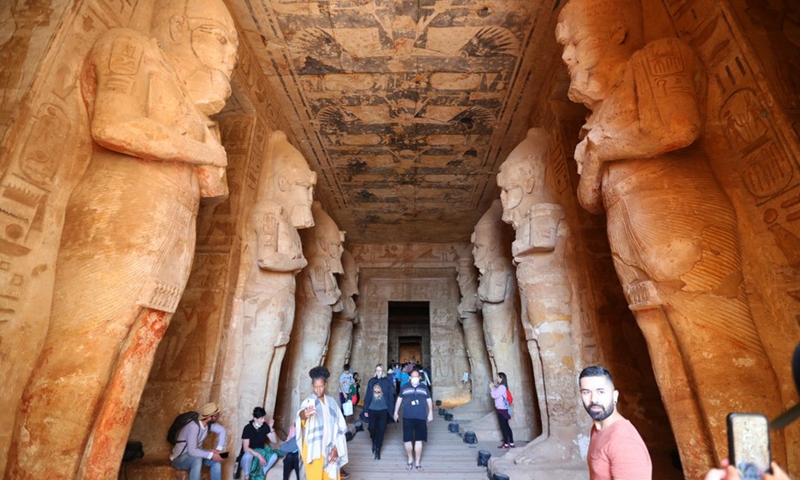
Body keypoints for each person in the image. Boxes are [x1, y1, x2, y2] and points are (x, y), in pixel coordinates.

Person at [8, 0, 238, 476]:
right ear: (180, 27)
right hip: (118, 223)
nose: (229, 56)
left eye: (233, 47)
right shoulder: (131, 49)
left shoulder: (193, 107)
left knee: (131, 367)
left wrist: (208, 139)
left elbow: (213, 186)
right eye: (219, 39)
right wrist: (200, 147)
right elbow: (111, 124)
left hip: (170, 236)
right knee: (82, 358)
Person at [556, 0, 787, 475]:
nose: (568, 59)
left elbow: (678, 126)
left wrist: (602, 148)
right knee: (671, 369)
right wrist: (598, 152)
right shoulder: (598, 116)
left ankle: (755, 470)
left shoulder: (656, 58)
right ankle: (700, 466)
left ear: (617, 32)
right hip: (633, 242)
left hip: (685, 228)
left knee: (724, 357)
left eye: (575, 43)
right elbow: (589, 198)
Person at [579, 366, 652, 480]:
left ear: (614, 396)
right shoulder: (598, 428)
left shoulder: (624, 443)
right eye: (586, 392)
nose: (593, 399)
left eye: (601, 391)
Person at [296, 366, 350, 480]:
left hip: (331, 449)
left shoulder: (332, 402)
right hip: (313, 449)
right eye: (315, 387)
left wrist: (336, 448)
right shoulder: (308, 402)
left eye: (320, 386)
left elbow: (340, 427)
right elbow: (301, 415)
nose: (318, 390)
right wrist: (304, 414)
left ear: (325, 384)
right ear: (312, 386)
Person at [171, 403, 229, 480]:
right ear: (209, 417)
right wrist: (211, 455)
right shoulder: (193, 427)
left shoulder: (207, 425)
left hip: (194, 454)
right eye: (216, 415)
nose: (218, 417)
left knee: (216, 461)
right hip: (179, 458)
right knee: (197, 459)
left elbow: (222, 430)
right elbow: (192, 451)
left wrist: (218, 450)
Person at [393, 369, 433, 471]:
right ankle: (410, 459)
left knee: (419, 439)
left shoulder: (424, 388)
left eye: (417, 376)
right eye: (413, 376)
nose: (415, 378)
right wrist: (395, 412)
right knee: (407, 439)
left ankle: (417, 462)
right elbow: (399, 399)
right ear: (410, 377)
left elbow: (429, 400)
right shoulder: (404, 387)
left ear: (419, 377)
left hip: (421, 417)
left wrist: (431, 412)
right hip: (408, 417)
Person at [237, 407, 279, 480]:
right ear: (255, 419)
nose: (263, 420)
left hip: (261, 452)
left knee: (274, 456)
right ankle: (247, 476)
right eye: (261, 418)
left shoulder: (265, 426)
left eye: (264, 418)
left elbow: (274, 441)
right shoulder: (248, 428)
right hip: (250, 456)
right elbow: (246, 448)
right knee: (248, 455)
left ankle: (262, 472)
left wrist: (271, 428)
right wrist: (258, 455)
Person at [364, 364, 396, 460]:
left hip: (383, 409)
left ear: (383, 371)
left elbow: (391, 396)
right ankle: (374, 440)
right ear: (375, 371)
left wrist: (392, 410)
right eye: (377, 370)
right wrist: (365, 409)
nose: (378, 372)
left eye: (380, 370)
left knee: (382, 430)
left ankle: (378, 448)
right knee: (371, 428)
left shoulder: (386, 382)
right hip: (372, 409)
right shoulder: (371, 381)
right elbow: (368, 396)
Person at [490, 372, 515, 449]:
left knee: (504, 427)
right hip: (503, 409)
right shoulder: (502, 387)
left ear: (501, 378)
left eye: (498, 377)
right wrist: (494, 388)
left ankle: (506, 443)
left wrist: (491, 388)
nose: (497, 379)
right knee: (506, 426)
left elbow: (494, 395)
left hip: (502, 409)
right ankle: (510, 443)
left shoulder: (502, 387)